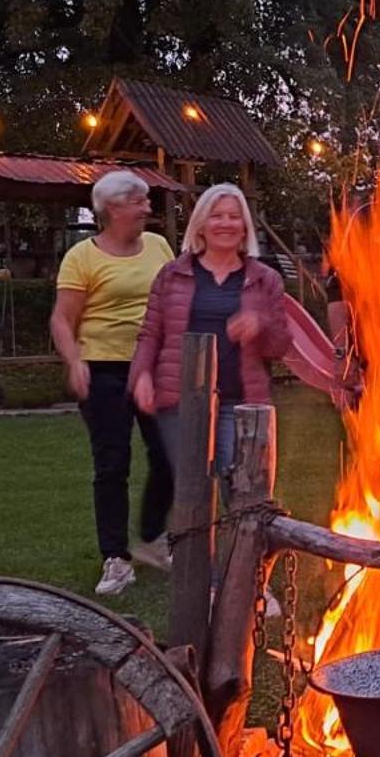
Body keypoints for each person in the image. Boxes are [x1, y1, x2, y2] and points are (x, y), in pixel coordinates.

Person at [131, 184, 291, 534]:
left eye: (234, 217)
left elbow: (281, 345)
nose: (226, 223)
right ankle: (198, 579)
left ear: (245, 227)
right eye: (216, 216)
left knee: (245, 493)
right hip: (182, 403)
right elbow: (150, 334)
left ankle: (240, 579)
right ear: (200, 225)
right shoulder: (172, 276)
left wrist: (259, 325)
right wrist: (141, 375)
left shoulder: (265, 280)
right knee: (193, 493)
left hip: (242, 402)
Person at [52, 170, 175, 597]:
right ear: (115, 208)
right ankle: (116, 559)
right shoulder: (82, 258)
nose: (148, 207)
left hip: (155, 368)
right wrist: (74, 361)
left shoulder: (159, 246)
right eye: (140, 200)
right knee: (112, 462)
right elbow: (62, 318)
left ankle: (154, 536)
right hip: (103, 369)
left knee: (169, 454)